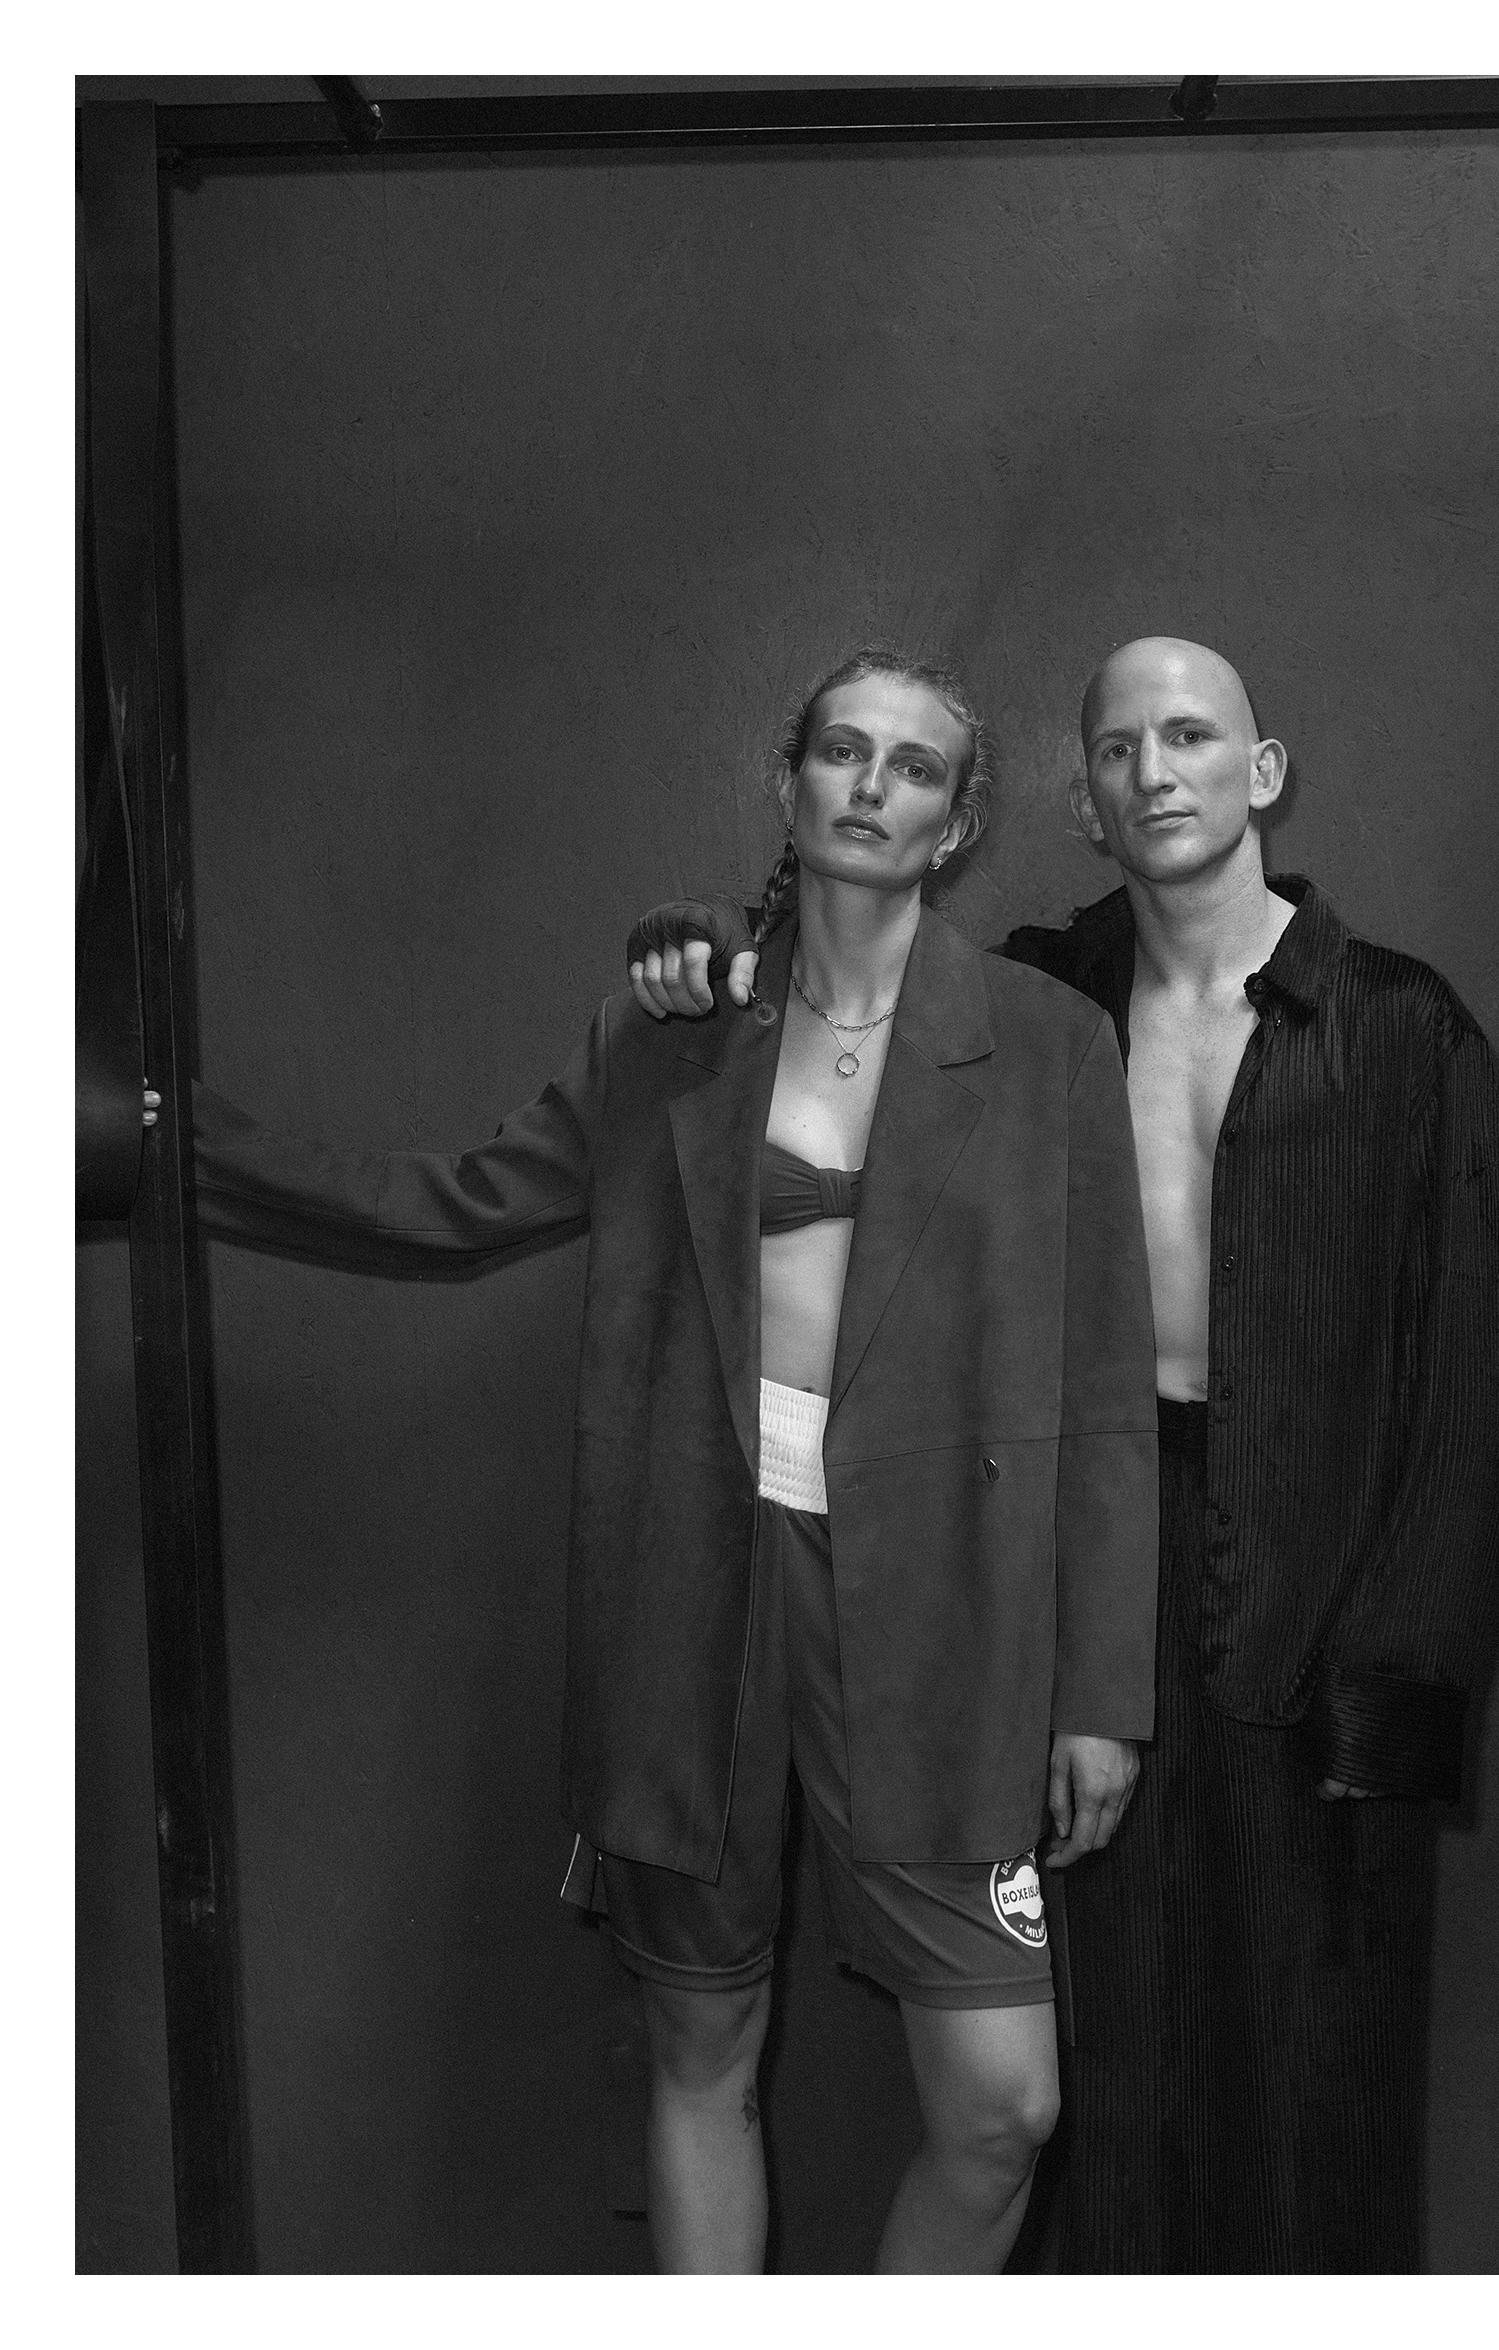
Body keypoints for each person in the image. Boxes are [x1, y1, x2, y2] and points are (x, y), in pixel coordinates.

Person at [187, 646, 1159, 2273]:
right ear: (788, 780)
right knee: (704, 2044)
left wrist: (1101, 1695)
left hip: (941, 1611)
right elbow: (457, 1199)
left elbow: (1107, 1379)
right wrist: (181, 1139)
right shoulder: (673, 1036)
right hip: (692, 1575)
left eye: (914, 766)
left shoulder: (1050, 1043)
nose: (872, 784)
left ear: (957, 822)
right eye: (841, 750)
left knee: (1004, 2106)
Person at [624, 634, 1499, 2272]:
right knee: (1098, 2044)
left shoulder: (1404, 1027)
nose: (1154, 770)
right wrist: (690, 944)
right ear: (1084, 802)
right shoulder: (1045, 998)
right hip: (1066, 1553)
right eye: (1117, 748)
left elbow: (1461, 1385)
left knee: (1317, 2038)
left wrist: (1396, 1694)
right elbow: (826, 959)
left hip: (1321, 1575)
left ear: (1264, 772)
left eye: (1192, 736)